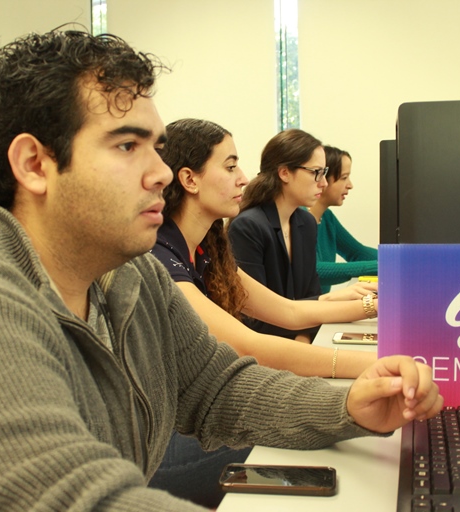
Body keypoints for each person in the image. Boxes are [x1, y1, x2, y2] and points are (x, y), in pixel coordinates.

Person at [0, 30, 442, 512]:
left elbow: (219, 388)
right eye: (128, 146)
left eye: (155, 146)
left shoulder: (129, 278)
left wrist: (347, 408)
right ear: (35, 164)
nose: (158, 172)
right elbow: (70, 503)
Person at [148, 119, 378, 505]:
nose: (243, 179)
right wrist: (370, 364)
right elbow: (247, 344)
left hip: (197, 420)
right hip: (163, 448)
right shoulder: (160, 256)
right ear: (189, 179)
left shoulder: (207, 247)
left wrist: (371, 306)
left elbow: (288, 312)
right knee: (315, 440)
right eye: (231, 165)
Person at [228, 129, 377, 342]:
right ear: (284, 172)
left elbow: (309, 297)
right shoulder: (248, 227)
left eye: (324, 173)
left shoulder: (305, 223)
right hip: (264, 350)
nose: (323, 183)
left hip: (298, 342)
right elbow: (254, 318)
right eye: (316, 172)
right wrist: (330, 304)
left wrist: (305, 339)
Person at [308, 146, 378, 293]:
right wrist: (384, 266)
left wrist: (398, 259)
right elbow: (314, 270)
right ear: (323, 179)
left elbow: (357, 253)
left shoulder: (326, 217)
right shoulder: (298, 218)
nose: (350, 185)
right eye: (344, 178)